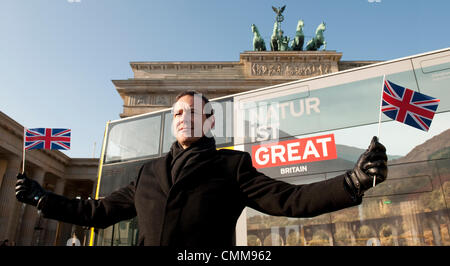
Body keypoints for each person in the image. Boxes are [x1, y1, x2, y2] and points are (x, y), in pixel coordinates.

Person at [15, 91, 388, 246]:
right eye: (177, 113)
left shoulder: (232, 166)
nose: (182, 118)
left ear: (209, 122)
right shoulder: (148, 174)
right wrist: (44, 199)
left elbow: (291, 200)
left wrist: (352, 181)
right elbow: (96, 213)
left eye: (192, 112)